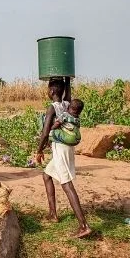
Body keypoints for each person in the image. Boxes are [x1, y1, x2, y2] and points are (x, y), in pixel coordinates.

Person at [36, 78, 92, 238]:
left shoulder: (52, 108)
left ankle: (84, 226)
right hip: (64, 148)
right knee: (46, 175)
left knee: (66, 184)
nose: (48, 92)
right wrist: (67, 78)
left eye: (48, 90)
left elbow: (46, 132)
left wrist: (39, 150)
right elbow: (68, 92)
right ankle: (53, 214)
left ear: (52, 91)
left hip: (60, 149)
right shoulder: (67, 104)